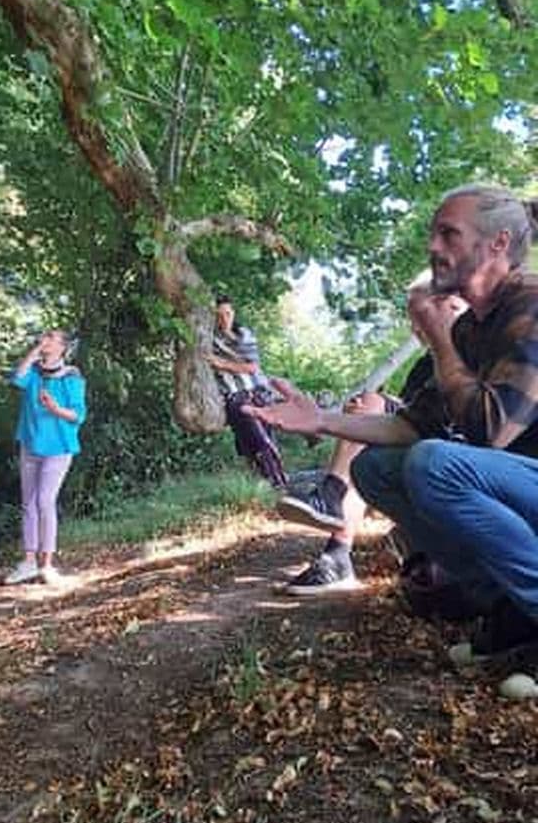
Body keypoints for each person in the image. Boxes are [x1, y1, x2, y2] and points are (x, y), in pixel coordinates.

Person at [244, 184, 538, 665]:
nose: (433, 247)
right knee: (375, 469)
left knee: (434, 465)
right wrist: (320, 420)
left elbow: (491, 430)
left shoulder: (530, 303)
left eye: (449, 234)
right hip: (521, 494)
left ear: (498, 244)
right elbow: (412, 425)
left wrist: (442, 341)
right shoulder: (469, 328)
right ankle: (509, 602)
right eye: (433, 234)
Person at [276, 287, 466, 596]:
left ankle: (332, 505)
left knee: (373, 417)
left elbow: (476, 424)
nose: (416, 328)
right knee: (366, 426)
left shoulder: (487, 347)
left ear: (457, 307)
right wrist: (343, 417)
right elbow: (415, 416)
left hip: (466, 462)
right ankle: (336, 541)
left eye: (425, 315)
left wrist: (381, 408)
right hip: (429, 450)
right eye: (413, 319)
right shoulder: (424, 367)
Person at [6, 329, 87, 586]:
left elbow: (78, 415)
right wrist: (34, 352)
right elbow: (17, 378)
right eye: (44, 337)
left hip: (59, 447)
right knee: (28, 502)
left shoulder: (71, 377)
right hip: (30, 444)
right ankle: (29, 562)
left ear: (63, 347)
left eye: (51, 337)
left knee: (44, 501)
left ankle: (47, 564)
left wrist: (55, 409)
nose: (46, 340)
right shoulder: (34, 373)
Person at [205, 295, 287, 488]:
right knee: (250, 445)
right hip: (235, 398)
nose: (224, 319)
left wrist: (220, 363)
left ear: (233, 314)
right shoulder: (208, 338)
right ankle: (264, 487)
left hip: (257, 394)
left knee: (265, 440)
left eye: (228, 313)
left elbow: (252, 367)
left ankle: (278, 483)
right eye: (219, 315)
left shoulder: (244, 334)